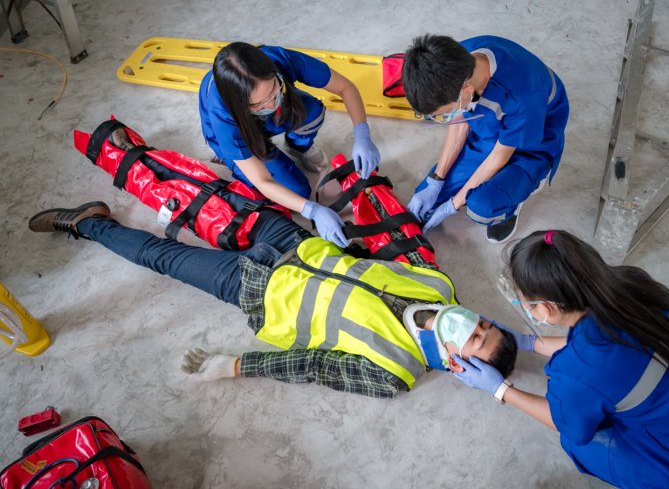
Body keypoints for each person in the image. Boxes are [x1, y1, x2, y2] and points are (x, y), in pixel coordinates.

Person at [28, 202, 517, 399]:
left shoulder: (396, 371)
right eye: (484, 323)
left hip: (257, 288)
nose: (469, 324)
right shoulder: (439, 286)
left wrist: (235, 366)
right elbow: (378, 255)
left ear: (459, 366)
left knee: (163, 257)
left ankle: (86, 223)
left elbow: (312, 365)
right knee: (216, 199)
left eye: (474, 339)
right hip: (296, 243)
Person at [452, 229, 669, 488]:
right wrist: (531, 343)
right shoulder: (633, 284)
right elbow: (611, 340)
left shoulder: (578, 372)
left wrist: (500, 390)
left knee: (581, 443)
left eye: (528, 303)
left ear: (547, 308)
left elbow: (566, 421)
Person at [199, 42, 383, 247]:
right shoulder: (222, 114)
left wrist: (362, 134)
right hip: (241, 134)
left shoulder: (278, 58)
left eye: (273, 91)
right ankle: (250, 153)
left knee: (311, 111)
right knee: (297, 192)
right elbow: (262, 181)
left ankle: (297, 147)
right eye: (258, 104)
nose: (270, 105)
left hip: (256, 119)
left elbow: (345, 87)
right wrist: (312, 210)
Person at [403, 34, 569, 243]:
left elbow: (499, 157)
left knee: (482, 206)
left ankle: (521, 193)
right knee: (428, 199)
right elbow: (461, 118)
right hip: (490, 130)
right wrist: (436, 179)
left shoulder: (522, 97)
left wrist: (452, 206)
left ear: (466, 90)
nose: (446, 117)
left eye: (446, 111)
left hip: (532, 143)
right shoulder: (454, 60)